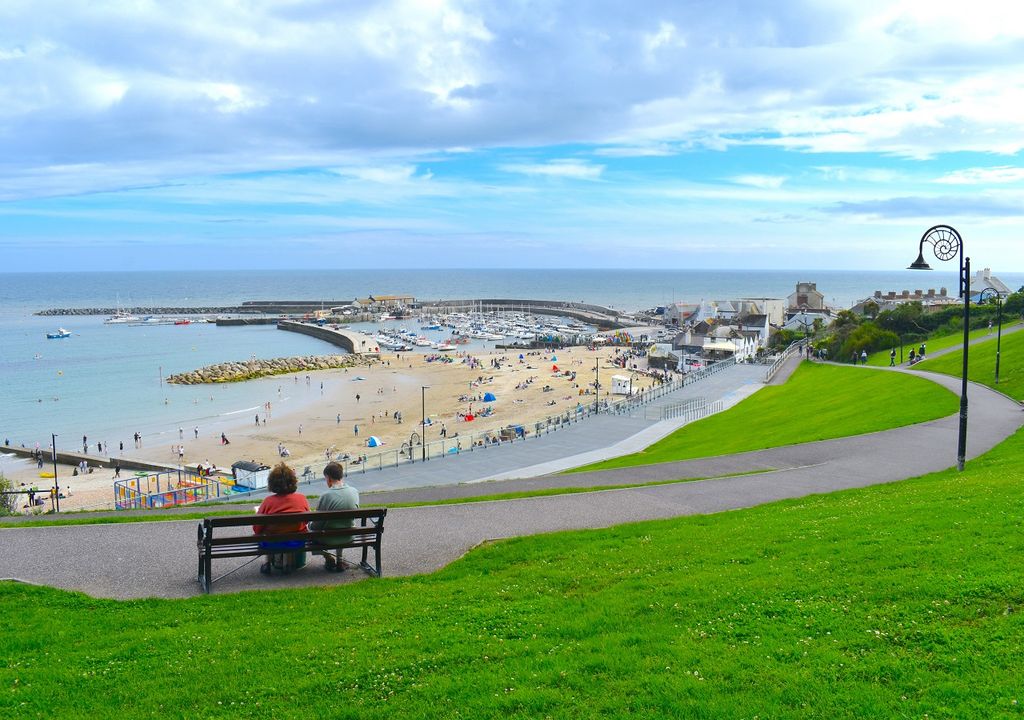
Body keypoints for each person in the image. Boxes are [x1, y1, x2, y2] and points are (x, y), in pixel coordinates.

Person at [253, 463, 310, 574]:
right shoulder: (301, 499)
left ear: (272, 483)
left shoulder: (268, 501)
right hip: (296, 542)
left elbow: (257, 528)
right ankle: (287, 564)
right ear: (293, 481)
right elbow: (306, 520)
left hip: (271, 543)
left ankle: (268, 563)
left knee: (267, 532)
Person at [309, 462, 360, 571]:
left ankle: (328, 557)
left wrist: (309, 525)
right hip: (349, 536)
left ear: (328, 478)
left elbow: (316, 525)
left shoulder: (326, 496)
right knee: (340, 524)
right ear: (341, 475)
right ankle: (340, 561)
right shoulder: (354, 492)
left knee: (310, 531)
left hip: (329, 539)